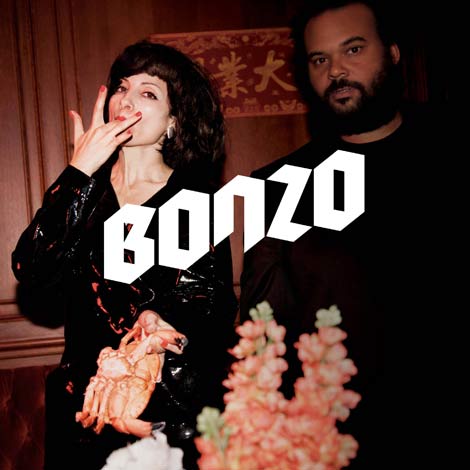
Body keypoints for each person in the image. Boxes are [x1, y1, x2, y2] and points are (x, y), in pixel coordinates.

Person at [240, 1, 450, 468]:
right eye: (320, 59)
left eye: (353, 49)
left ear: (393, 52)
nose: (335, 70)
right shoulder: (281, 185)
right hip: (335, 444)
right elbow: (262, 333)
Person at [12, 40, 238, 470]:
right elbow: (32, 269)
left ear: (173, 120)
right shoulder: (84, 191)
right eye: (121, 87)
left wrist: (161, 321)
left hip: (164, 407)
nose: (126, 100)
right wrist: (79, 172)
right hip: (85, 409)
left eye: (147, 92)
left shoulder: (194, 200)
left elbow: (210, 307)